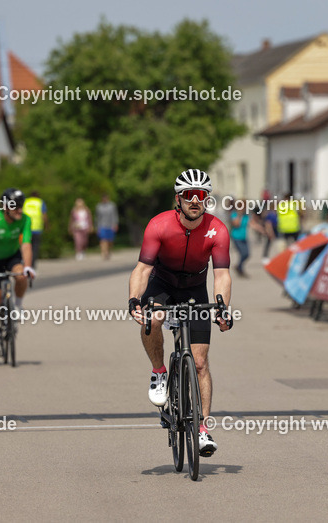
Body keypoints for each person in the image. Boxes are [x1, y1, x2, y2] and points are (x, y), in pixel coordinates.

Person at [128, 169, 232, 458]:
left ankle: (202, 430)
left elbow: (222, 274)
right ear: (178, 199)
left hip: (194, 288)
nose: (195, 201)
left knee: (200, 363)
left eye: (201, 196)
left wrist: (222, 306)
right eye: (189, 195)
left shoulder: (218, 230)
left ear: (207, 199)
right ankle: (159, 372)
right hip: (162, 284)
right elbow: (143, 269)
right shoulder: (159, 225)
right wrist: (134, 300)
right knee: (154, 317)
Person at [0, 188, 36, 357]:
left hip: (12, 256)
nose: (20, 210)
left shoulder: (25, 220)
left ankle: (17, 306)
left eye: (21, 206)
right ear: (5, 207)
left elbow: (26, 244)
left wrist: (27, 266)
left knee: (20, 275)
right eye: (15, 206)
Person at [22, 190, 48, 268]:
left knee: (25, 246)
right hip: (37, 228)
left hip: (25, 228)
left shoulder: (25, 202)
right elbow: (44, 215)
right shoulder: (40, 202)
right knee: (35, 248)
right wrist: (47, 225)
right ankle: (32, 264)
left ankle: (25, 262)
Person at [96, 193, 119, 260]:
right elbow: (97, 218)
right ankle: (104, 253)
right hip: (102, 225)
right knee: (103, 240)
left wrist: (115, 224)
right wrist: (97, 227)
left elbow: (115, 215)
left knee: (110, 241)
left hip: (111, 225)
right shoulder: (99, 206)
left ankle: (109, 251)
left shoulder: (112, 206)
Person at [229, 203, 250, 277]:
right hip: (236, 237)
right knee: (243, 253)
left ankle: (239, 267)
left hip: (244, 237)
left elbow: (252, 224)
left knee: (247, 254)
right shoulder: (234, 214)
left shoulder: (246, 216)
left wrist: (262, 230)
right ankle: (240, 268)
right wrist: (240, 215)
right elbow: (236, 224)